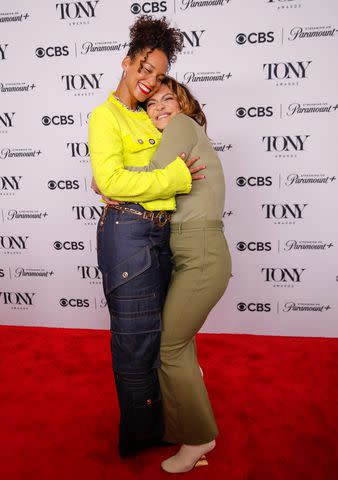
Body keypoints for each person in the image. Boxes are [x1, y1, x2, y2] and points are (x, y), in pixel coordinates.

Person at [88, 16, 205, 457]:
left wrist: (122, 179)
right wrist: (173, 177)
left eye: (158, 75)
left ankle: (160, 423)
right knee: (136, 342)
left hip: (159, 235)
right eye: (144, 68)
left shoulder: (146, 115)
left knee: (158, 338)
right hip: (129, 236)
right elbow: (114, 181)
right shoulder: (105, 116)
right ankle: (139, 438)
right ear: (126, 62)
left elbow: (123, 175)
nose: (149, 80)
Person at [126, 77, 232, 472]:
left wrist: (108, 181)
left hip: (201, 251)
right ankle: (185, 427)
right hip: (188, 251)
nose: (160, 108)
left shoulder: (184, 126)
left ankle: (199, 437)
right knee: (178, 346)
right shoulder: (176, 136)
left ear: (183, 101)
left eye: (167, 98)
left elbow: (153, 177)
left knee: (170, 347)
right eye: (151, 104)